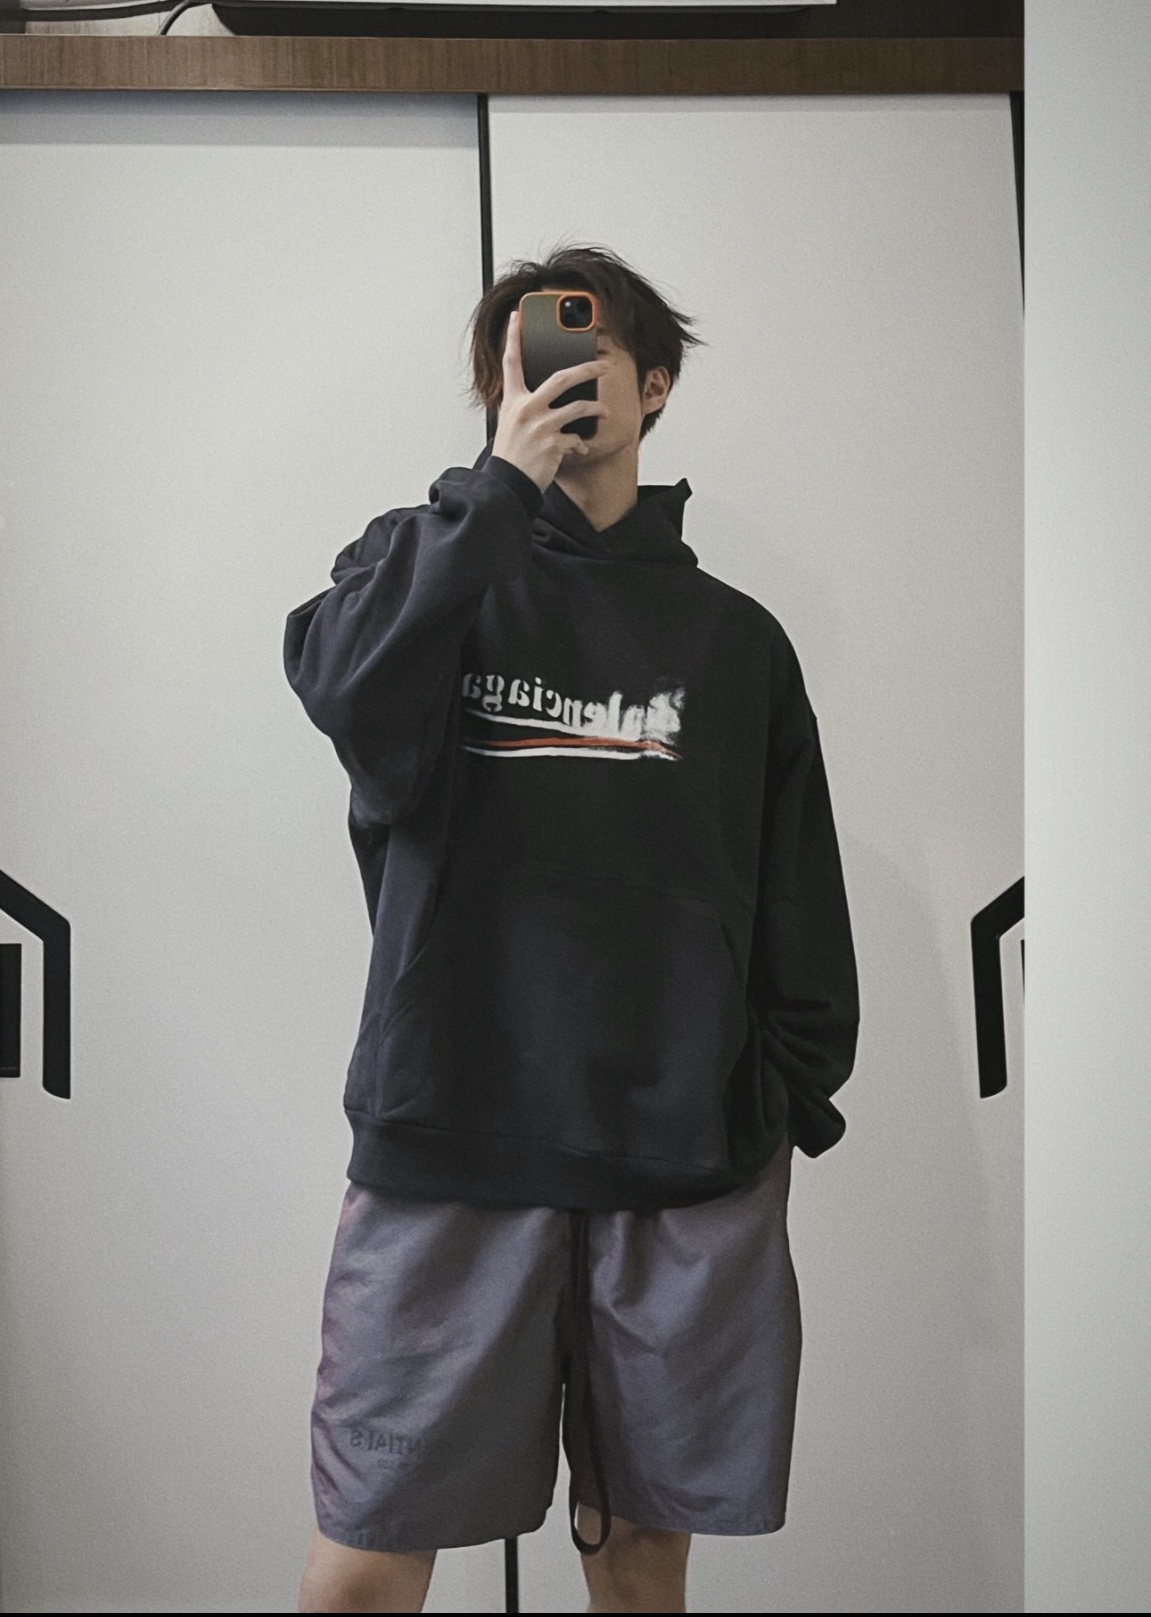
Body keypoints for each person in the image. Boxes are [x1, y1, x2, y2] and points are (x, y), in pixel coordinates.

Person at [283, 244, 860, 1614]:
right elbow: (342, 689)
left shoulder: (736, 643)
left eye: (584, 347)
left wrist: (777, 1098)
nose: (549, 376)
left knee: (642, 1565)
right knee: (362, 1564)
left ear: (653, 385)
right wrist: (493, 494)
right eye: (520, 356)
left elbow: (798, 897)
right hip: (450, 1145)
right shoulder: (416, 573)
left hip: (683, 1167)